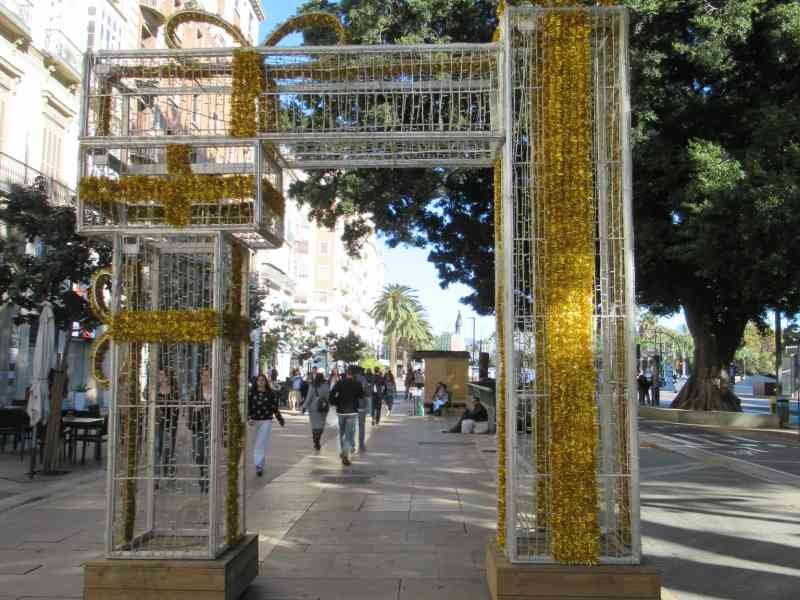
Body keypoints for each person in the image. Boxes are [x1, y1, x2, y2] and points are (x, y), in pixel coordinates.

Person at [248, 374, 285, 476]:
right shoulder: (251, 393)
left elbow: (274, 407)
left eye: (263, 380)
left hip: (266, 421)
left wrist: (280, 419)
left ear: (265, 382)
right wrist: (249, 417)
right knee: (256, 443)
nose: (261, 382)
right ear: (256, 382)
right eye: (259, 380)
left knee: (261, 443)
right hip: (254, 421)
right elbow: (248, 407)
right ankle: (260, 463)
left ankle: (258, 465)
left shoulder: (270, 394)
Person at [329, 366, 363, 466]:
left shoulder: (340, 383)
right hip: (352, 411)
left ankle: (343, 451)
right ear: (354, 375)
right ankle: (345, 452)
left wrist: (335, 402)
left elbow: (332, 394)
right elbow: (361, 396)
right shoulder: (357, 384)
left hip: (341, 411)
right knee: (349, 434)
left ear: (347, 373)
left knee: (342, 433)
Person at [189, 367, 212, 493]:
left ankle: (205, 478)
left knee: (208, 453)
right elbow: (190, 408)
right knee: (197, 453)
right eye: (203, 375)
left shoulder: (215, 391)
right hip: (197, 425)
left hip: (211, 426)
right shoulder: (196, 391)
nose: (205, 378)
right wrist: (194, 410)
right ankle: (203, 471)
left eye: (207, 375)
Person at [155, 368, 179, 479]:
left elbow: (177, 406)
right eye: (159, 374)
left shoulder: (174, 390)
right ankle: (156, 472)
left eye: (161, 374)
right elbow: (146, 396)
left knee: (169, 447)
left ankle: (168, 469)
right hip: (158, 422)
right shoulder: (155, 389)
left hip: (170, 423)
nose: (159, 376)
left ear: (167, 377)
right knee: (158, 446)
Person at [304, 372, 330, 451]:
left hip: (313, 409)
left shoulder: (312, 386)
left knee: (314, 426)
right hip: (323, 408)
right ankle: (317, 440)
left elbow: (309, 397)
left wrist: (304, 407)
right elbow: (328, 397)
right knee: (321, 425)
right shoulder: (326, 386)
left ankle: (315, 440)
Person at [354, 367, 372, 451]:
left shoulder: (350, 378)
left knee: (351, 426)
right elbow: (368, 393)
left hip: (351, 406)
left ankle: (352, 445)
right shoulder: (363, 379)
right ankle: (361, 444)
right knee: (361, 426)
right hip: (361, 405)